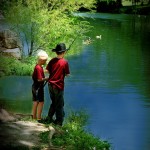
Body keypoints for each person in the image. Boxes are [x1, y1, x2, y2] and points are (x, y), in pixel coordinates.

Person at [46, 43, 70, 126]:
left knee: (54, 102)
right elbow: (67, 74)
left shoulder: (52, 60)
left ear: (56, 52)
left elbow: (48, 71)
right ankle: (59, 122)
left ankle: (49, 118)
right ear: (64, 53)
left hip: (50, 85)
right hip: (58, 86)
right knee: (59, 104)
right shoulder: (65, 62)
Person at [32, 50, 49, 122]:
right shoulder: (39, 68)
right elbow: (39, 79)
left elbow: (41, 72)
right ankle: (38, 118)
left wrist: (47, 71)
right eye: (45, 61)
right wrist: (47, 78)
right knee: (40, 102)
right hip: (38, 87)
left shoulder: (38, 66)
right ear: (41, 60)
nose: (45, 62)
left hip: (35, 87)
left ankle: (34, 117)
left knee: (35, 101)